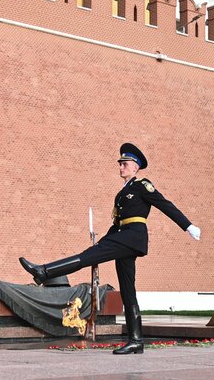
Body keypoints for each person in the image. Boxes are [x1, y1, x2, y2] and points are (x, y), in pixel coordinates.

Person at [20, 143, 200, 355]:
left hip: (132, 237)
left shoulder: (142, 185)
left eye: (124, 164)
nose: (121, 167)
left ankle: (44, 271)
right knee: (127, 290)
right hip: (122, 237)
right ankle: (136, 341)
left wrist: (187, 226)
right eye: (121, 164)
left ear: (135, 167)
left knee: (86, 258)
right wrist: (101, 243)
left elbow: (165, 205)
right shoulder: (121, 194)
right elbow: (116, 225)